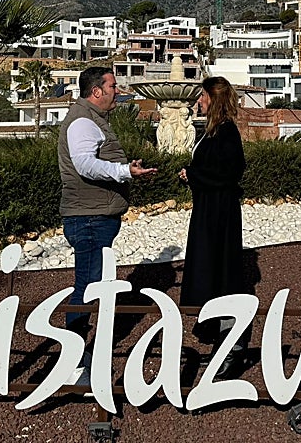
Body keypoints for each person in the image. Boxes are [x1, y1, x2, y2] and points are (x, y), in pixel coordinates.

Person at [58, 66, 156, 387]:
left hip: (96, 215)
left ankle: (79, 355)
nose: (117, 90)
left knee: (89, 284)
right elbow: (85, 164)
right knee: (86, 286)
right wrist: (124, 170)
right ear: (96, 91)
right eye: (112, 85)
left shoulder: (92, 120)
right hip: (89, 217)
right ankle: (75, 361)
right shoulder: (83, 121)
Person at [179, 76, 248, 374]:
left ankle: (232, 348)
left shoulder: (226, 133)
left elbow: (229, 173)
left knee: (222, 273)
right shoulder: (214, 131)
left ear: (212, 98)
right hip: (210, 212)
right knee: (214, 271)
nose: (198, 102)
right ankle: (223, 345)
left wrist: (193, 175)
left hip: (219, 215)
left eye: (202, 97)